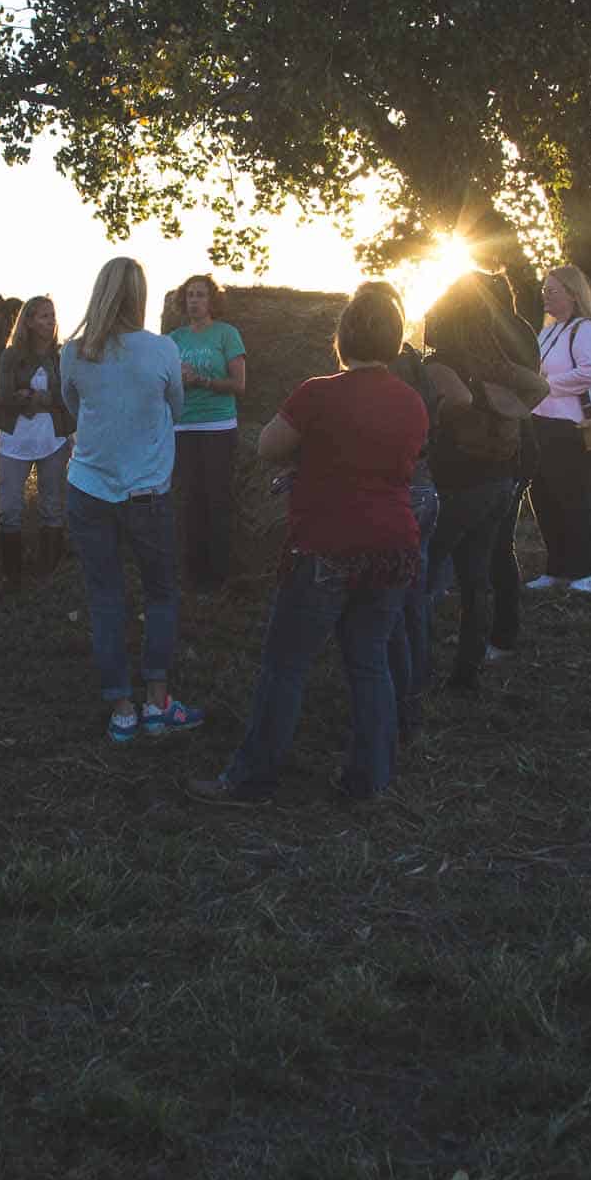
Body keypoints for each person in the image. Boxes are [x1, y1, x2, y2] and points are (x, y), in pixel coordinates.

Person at [189, 287, 428, 806]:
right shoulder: (411, 401)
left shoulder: (317, 393)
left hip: (326, 546)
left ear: (343, 335)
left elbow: (267, 446)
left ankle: (251, 780)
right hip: (393, 547)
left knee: (286, 666)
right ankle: (371, 778)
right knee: (369, 664)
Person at [60, 257, 203, 745]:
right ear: (141, 297)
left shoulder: (74, 352)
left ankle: (121, 708)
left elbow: (73, 407)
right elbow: (178, 407)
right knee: (160, 593)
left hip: (89, 488)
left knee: (105, 597)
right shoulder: (162, 350)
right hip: (147, 493)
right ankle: (158, 701)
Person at [354, 280, 469, 742]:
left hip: (393, 491)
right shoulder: (416, 363)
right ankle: (415, 689)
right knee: (413, 595)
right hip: (424, 486)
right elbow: (438, 412)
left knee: (387, 603)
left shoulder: (381, 369)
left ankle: (395, 703)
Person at [423, 274, 548, 692]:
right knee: (480, 572)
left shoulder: (443, 363)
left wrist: (444, 418)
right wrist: (508, 400)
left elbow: (450, 406)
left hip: (461, 479)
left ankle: (413, 664)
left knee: (426, 570)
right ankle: (471, 666)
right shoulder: (503, 348)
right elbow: (539, 386)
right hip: (502, 471)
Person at [526, 264, 591, 595]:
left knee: (577, 498)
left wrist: (545, 386)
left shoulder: (587, 330)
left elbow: (590, 372)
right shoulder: (547, 331)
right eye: (544, 291)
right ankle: (557, 567)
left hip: (573, 428)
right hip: (542, 423)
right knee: (545, 497)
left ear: (574, 296)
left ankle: (584, 572)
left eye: (553, 291)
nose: (545, 297)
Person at [169, 273, 247, 590]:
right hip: (183, 425)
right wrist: (177, 379)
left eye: (201, 295)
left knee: (217, 498)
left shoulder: (226, 334)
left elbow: (240, 385)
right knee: (189, 499)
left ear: (212, 300)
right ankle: (192, 573)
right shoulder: (174, 339)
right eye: (189, 295)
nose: (194, 300)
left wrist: (201, 381)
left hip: (218, 425)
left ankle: (219, 575)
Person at [0, 295, 74, 586]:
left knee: (52, 503)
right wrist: (35, 400)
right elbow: (5, 395)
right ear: (27, 321)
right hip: (16, 438)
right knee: (9, 507)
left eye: (52, 315)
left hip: (52, 437)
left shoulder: (62, 355)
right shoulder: (11, 355)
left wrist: (30, 395)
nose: (50, 321)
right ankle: (12, 574)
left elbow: (67, 398)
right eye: (43, 316)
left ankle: (48, 570)